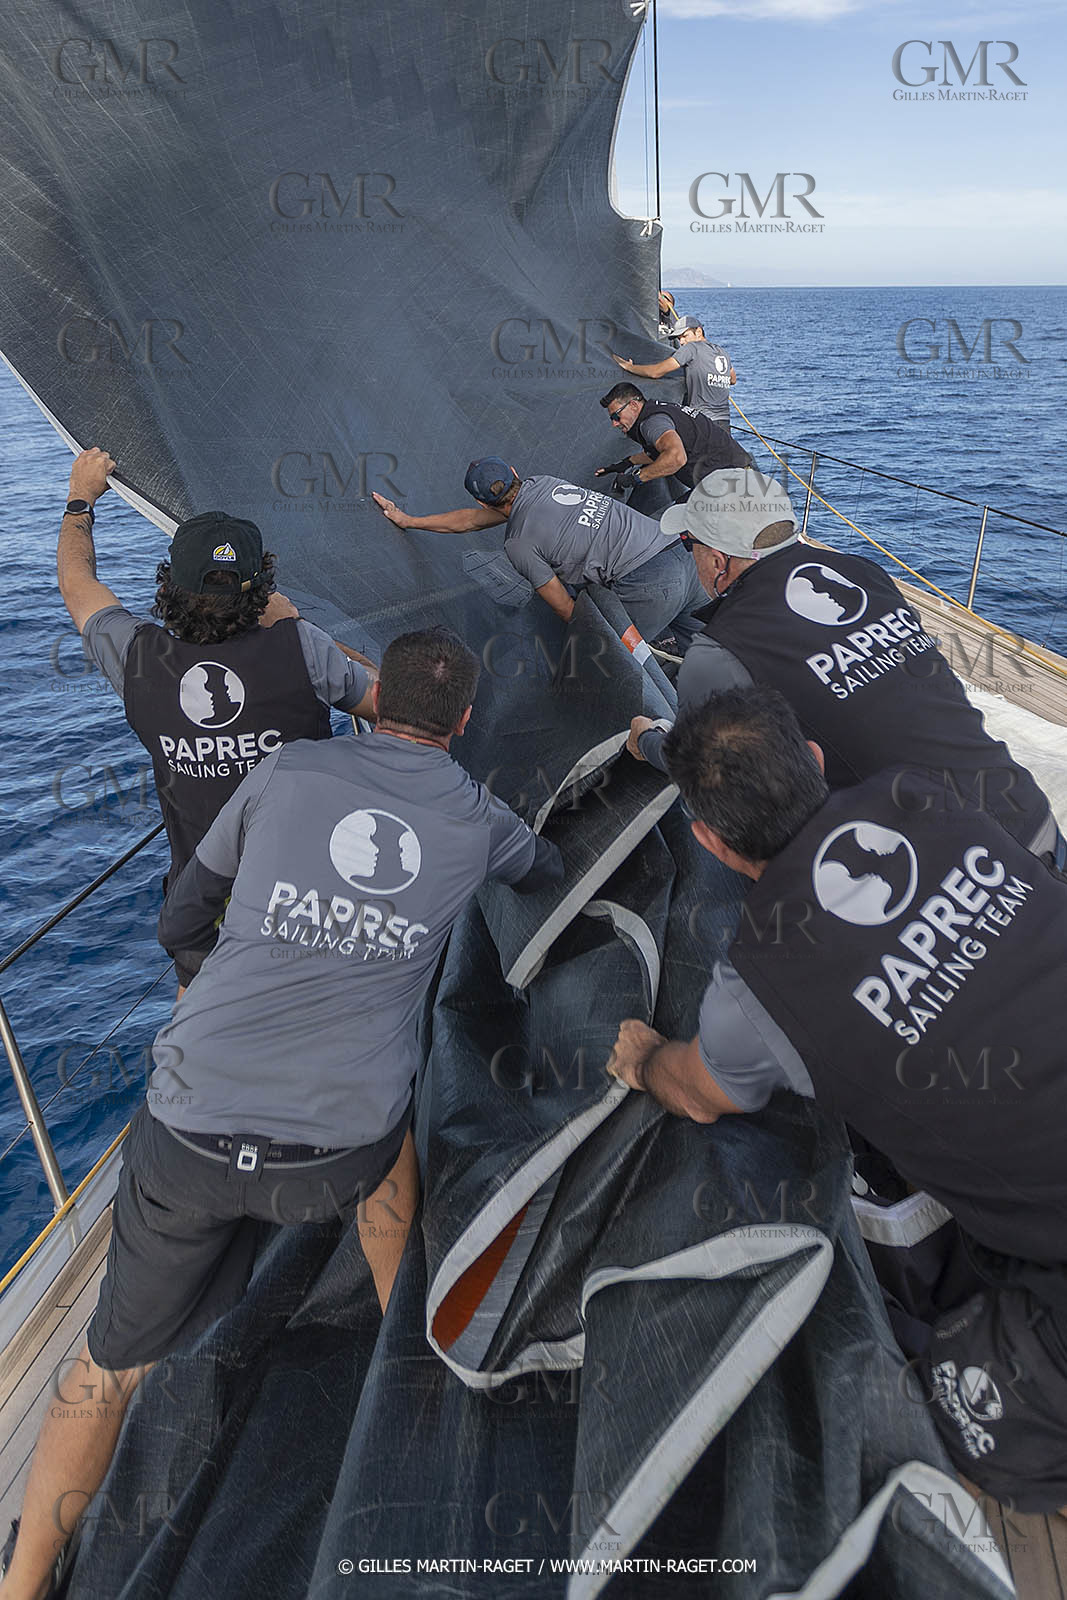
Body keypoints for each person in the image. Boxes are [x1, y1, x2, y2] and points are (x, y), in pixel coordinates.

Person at [0, 628, 564, 1600]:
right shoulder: (476, 822)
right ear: (464, 721)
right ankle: (410, 1345)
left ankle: (23, 1583)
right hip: (336, 1155)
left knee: (103, 1366)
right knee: (391, 1136)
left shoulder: (288, 768)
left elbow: (183, 916)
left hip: (186, 1136)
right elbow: (548, 874)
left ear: (371, 694)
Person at [607, 685, 1067, 1513]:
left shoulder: (762, 982)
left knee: (964, 1433)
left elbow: (701, 1095)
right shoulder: (922, 796)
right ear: (814, 761)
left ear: (706, 842)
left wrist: (644, 1059)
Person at [59, 447, 378, 988]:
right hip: (315, 910)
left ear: (170, 587)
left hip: (208, 919)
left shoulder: (139, 659)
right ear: (260, 592)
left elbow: (76, 583)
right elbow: (389, 702)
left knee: (198, 1044)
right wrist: (297, 621)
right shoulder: (302, 648)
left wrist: (80, 499)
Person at [628, 468, 1062, 862]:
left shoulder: (718, 653)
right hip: (1033, 819)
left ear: (718, 560)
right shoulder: (866, 573)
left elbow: (713, 775)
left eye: (690, 544)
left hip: (951, 878)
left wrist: (648, 742)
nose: (690, 555)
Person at [372, 459, 708, 651]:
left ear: (482, 501)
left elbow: (565, 608)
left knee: (613, 662)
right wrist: (410, 520)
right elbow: (473, 521)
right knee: (703, 654)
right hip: (680, 556)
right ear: (516, 473)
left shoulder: (518, 544)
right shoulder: (543, 483)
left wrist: (591, 639)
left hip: (648, 586)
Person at [595, 383, 752, 514]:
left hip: (730, 485)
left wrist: (636, 478)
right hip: (738, 475)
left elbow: (676, 458)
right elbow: (660, 450)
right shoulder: (659, 410)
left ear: (634, 405)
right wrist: (627, 462)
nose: (614, 423)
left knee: (676, 522)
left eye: (616, 417)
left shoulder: (652, 423)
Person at [611, 317, 737, 430]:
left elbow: (656, 372)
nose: (681, 342)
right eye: (679, 338)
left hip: (703, 422)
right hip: (724, 422)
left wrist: (629, 367)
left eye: (685, 336)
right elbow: (732, 380)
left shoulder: (691, 348)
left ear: (698, 332)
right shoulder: (722, 352)